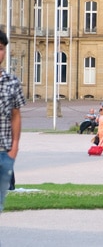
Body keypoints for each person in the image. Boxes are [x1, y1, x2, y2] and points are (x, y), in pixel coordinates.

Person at [0, 30, 25, 214]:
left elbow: (16, 114)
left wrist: (15, 146)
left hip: (4, 151)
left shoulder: (12, 82)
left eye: (1, 49)